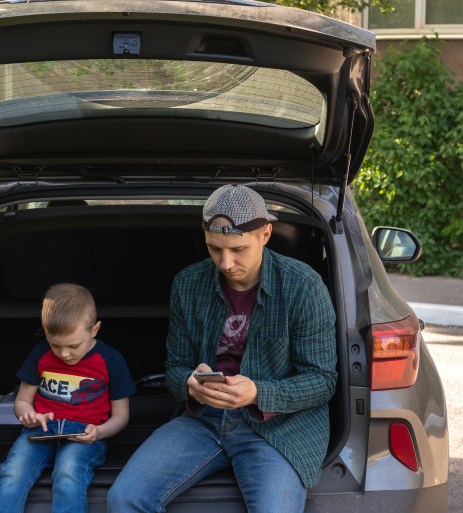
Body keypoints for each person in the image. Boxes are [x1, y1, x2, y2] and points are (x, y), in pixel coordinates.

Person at [107, 185, 337, 513]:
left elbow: (323, 381)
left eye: (238, 249)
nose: (226, 262)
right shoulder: (188, 284)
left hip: (277, 427)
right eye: (215, 249)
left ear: (266, 234)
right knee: (124, 497)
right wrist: (188, 382)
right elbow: (175, 367)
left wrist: (258, 392)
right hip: (203, 420)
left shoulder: (303, 286)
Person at [0, 283, 136, 513]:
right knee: (12, 473)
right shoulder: (40, 354)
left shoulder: (111, 361)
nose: (64, 354)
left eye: (74, 346)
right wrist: (27, 415)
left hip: (83, 435)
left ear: (95, 329)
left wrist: (99, 432)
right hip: (41, 430)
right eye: (55, 344)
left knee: (68, 473)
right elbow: (22, 401)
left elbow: (121, 416)